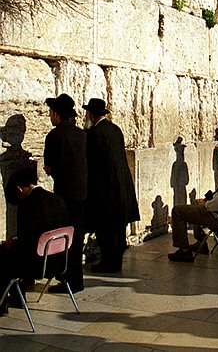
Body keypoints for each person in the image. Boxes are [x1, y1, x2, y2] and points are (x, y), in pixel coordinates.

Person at [0, 168, 71, 315]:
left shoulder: (27, 206)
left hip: (37, 266)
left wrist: (11, 244)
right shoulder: (57, 199)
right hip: (59, 262)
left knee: (3, 254)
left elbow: (26, 243)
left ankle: (2, 303)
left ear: (19, 189)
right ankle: (17, 297)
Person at [83, 98, 140, 273]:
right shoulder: (115, 129)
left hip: (105, 188)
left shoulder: (94, 133)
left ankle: (108, 263)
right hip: (121, 185)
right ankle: (115, 262)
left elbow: (90, 162)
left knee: (105, 229)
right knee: (117, 229)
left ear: (91, 114)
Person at [44, 93, 87, 293]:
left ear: (57, 114)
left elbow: (49, 167)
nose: (50, 116)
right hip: (82, 193)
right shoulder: (81, 134)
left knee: (64, 237)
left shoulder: (54, 136)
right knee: (76, 237)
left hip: (64, 194)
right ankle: (76, 279)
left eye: (51, 112)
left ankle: (67, 279)